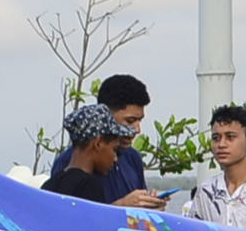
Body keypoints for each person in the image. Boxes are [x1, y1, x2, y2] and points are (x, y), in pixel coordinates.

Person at [48, 74, 167, 210]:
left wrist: (149, 207)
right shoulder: (67, 163)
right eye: (130, 121)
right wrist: (122, 206)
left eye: (140, 120)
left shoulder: (132, 158)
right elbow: (73, 218)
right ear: (105, 116)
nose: (137, 129)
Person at [42, 103, 129, 203]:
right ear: (98, 143)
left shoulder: (49, 185)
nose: (115, 159)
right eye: (114, 150)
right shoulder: (90, 186)